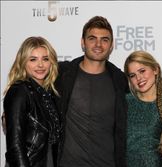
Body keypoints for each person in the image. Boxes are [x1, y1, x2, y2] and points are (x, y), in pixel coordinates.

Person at [55, 16, 129, 167]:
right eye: (92, 38)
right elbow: (32, 88)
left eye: (104, 40)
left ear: (111, 45)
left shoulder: (120, 80)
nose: (98, 44)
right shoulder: (61, 74)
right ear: (83, 42)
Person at [3, 36, 61, 167]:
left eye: (45, 59)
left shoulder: (47, 94)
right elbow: (15, 146)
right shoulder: (19, 91)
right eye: (33, 59)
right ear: (23, 62)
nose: (40, 65)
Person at [123, 50, 162, 167]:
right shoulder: (123, 102)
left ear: (155, 69)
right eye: (133, 75)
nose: (139, 78)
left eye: (142, 71)